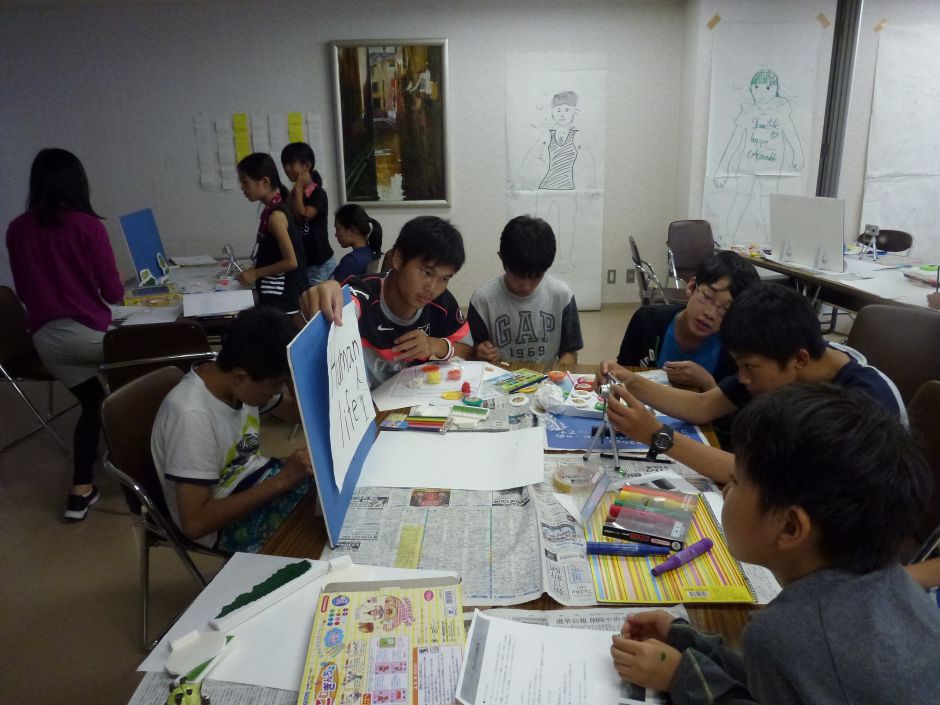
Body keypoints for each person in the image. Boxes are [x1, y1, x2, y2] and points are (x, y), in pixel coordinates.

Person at [610, 383, 940, 704]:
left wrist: (678, 676)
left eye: (736, 481)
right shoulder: (894, 584)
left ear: (790, 527)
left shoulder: (781, 634)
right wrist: (687, 640)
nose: (725, 490)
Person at [600, 283, 905, 484]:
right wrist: (630, 381)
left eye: (748, 367)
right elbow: (703, 406)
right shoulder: (784, 358)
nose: (743, 378)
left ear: (799, 359)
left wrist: (656, 435)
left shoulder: (861, 407)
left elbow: (760, 477)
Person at [6, 148, 124, 521]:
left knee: (93, 402)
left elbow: (24, 291)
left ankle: (80, 491)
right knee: (156, 357)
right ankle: (142, 460)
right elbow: (114, 293)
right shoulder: (88, 227)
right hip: (86, 337)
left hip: (45, 340)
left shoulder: (17, 229)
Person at [151, 306, 312, 553]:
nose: (278, 391)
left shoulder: (233, 376)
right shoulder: (191, 417)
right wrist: (282, 481)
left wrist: (293, 369)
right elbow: (195, 524)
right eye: (276, 385)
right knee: (311, 537)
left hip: (256, 480)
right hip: (223, 524)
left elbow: (294, 413)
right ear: (240, 378)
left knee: (328, 498)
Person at [300, 215, 471, 388]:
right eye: (426, 272)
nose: (432, 288)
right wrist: (325, 295)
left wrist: (436, 345)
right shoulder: (363, 294)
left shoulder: (441, 302)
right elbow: (340, 304)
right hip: (365, 400)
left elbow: (467, 350)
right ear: (398, 259)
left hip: (412, 398)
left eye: (444, 279)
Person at [617, 251, 760, 390]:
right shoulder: (647, 320)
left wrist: (707, 383)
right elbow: (621, 374)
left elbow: (733, 404)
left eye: (726, 309)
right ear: (691, 287)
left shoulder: (734, 349)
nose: (710, 314)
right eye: (707, 297)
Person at [467, 215, 582, 369]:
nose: (527, 286)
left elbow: (570, 351)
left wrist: (559, 371)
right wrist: (479, 352)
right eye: (518, 277)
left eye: (536, 277)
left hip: (547, 378)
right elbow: (471, 353)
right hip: (500, 378)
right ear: (501, 258)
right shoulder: (482, 300)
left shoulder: (562, 296)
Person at [235, 153, 308, 314]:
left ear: (265, 182)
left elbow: (291, 262)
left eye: (245, 182)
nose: (242, 188)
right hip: (276, 296)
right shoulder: (273, 210)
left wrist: (255, 273)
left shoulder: (276, 217)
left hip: (282, 300)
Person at [281, 142, 335, 283]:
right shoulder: (294, 194)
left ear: (307, 166)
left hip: (320, 265)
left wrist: (299, 187)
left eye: (291, 163)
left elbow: (303, 215)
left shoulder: (318, 193)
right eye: (284, 164)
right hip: (304, 264)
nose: (286, 168)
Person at [331, 204, 382, 282]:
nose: (336, 234)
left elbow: (335, 287)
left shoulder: (351, 261)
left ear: (352, 230)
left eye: (338, 229)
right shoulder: (371, 253)